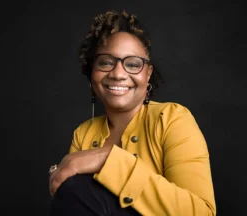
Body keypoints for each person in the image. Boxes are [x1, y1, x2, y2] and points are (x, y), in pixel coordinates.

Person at [48, 9, 216, 216]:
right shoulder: (84, 134)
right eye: (106, 62)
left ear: (148, 74)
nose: (118, 74)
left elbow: (201, 213)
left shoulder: (172, 119)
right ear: (93, 70)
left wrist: (110, 158)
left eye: (133, 64)